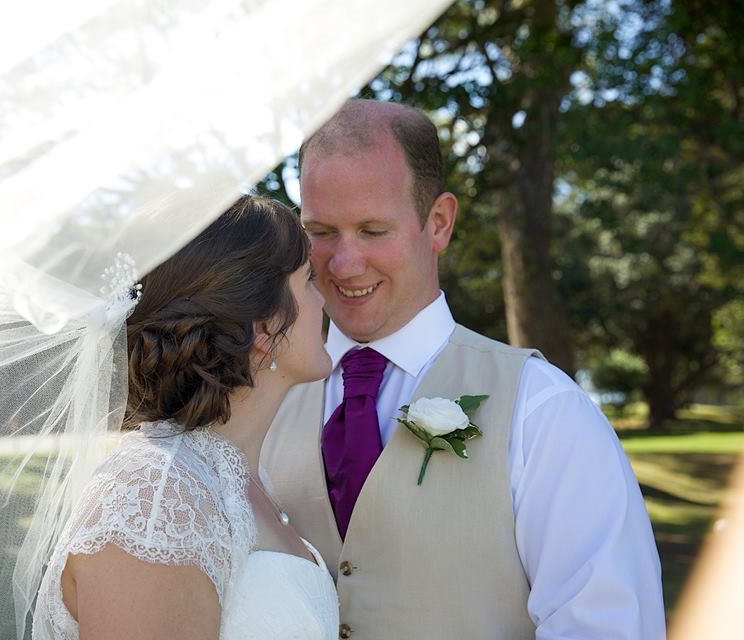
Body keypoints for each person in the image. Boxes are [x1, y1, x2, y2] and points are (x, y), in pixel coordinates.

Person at [262, 99, 666, 639]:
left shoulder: (542, 411)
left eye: (374, 230)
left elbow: (608, 627)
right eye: (322, 231)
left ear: (439, 223)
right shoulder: (261, 401)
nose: (344, 263)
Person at [32, 195, 339, 640]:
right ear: (262, 325)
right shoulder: (155, 499)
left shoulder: (236, 478)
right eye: (308, 280)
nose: (322, 299)